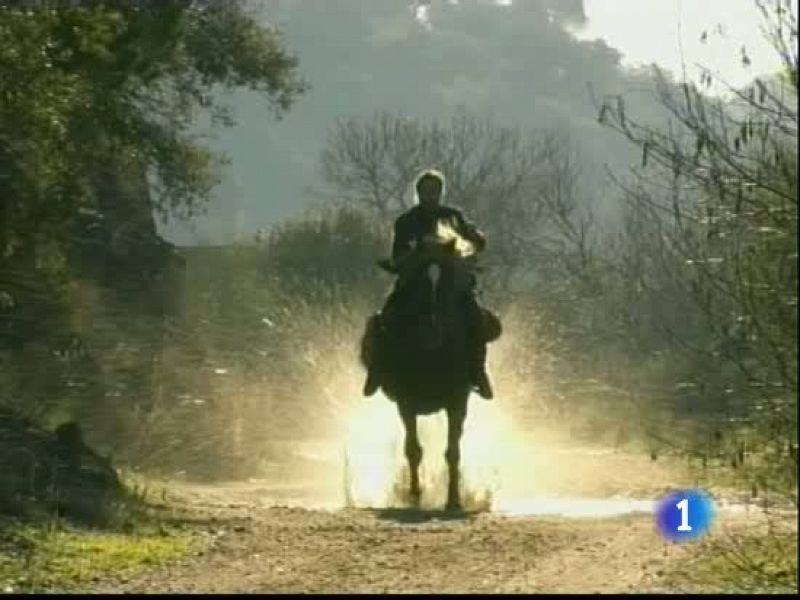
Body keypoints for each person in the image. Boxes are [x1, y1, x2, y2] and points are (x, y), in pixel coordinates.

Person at [362, 168, 494, 400]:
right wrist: (416, 252)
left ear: (441, 193)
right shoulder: (406, 222)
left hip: (451, 285)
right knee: (384, 319)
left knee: (475, 318)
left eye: (435, 191)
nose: (430, 196)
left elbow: (476, 244)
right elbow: (398, 257)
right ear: (418, 193)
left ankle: (478, 371)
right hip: (414, 284)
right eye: (426, 191)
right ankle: (378, 370)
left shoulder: (453, 217)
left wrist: (474, 237)